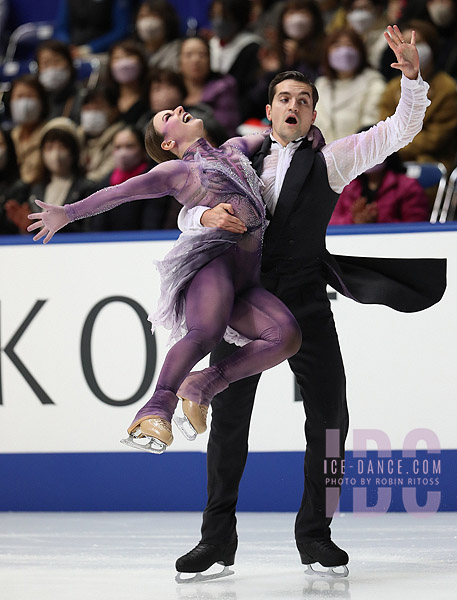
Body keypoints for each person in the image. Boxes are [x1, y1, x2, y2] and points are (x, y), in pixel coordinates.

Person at [175, 26, 446, 579]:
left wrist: (412, 78)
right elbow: (183, 209)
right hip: (244, 305)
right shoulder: (236, 160)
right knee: (229, 422)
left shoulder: (332, 160)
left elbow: (400, 130)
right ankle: (214, 539)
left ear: (313, 114)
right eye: (284, 99)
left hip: (303, 302)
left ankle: (315, 534)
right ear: (269, 110)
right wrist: (205, 216)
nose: (293, 106)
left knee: (329, 420)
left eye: (304, 100)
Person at [27, 105, 312, 457]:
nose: (178, 109)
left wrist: (307, 134)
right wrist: (68, 213)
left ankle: (204, 383)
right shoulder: (177, 170)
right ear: (167, 143)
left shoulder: (235, 148)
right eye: (167, 117)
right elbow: (120, 192)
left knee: (286, 336)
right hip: (213, 262)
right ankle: (155, 409)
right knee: (206, 331)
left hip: (247, 277)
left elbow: (275, 138)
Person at [379, 20, 457, 173]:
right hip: (393, 162)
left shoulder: (447, 88)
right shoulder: (391, 88)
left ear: (432, 48)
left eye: (418, 43)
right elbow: (384, 130)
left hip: (431, 162)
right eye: (405, 43)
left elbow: (434, 140)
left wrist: (394, 146)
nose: (410, 48)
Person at [91, 125, 179, 231]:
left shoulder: (155, 180)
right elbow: (97, 226)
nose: (122, 153)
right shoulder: (106, 182)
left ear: (143, 150)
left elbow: (152, 224)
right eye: (118, 147)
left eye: (129, 146)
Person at [313, 27, 386, 143]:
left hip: (359, 154)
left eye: (349, 45)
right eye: (337, 46)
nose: (344, 51)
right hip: (322, 155)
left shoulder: (374, 82)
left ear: (360, 51)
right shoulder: (321, 84)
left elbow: (370, 126)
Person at [329, 142, 431, 224]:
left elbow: (417, 226)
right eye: (362, 152)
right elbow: (330, 222)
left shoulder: (408, 187)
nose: (367, 156)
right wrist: (354, 220)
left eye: (372, 150)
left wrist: (377, 222)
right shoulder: (347, 186)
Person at [179, 37, 240, 138]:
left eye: (202, 55)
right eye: (188, 55)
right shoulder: (173, 89)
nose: (196, 60)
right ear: (179, 61)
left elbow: (227, 130)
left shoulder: (223, 87)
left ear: (209, 60)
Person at [8, 75, 48, 184]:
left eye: (30, 96)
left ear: (42, 101)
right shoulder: (9, 136)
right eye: (19, 96)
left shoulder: (49, 134)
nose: (24, 103)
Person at [36, 39, 84, 123]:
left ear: (69, 64)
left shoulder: (82, 96)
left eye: (56, 61)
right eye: (45, 63)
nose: (51, 68)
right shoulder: (37, 98)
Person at [106, 40, 149, 128]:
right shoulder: (107, 98)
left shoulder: (150, 97)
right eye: (117, 58)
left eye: (128, 56)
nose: (123, 64)